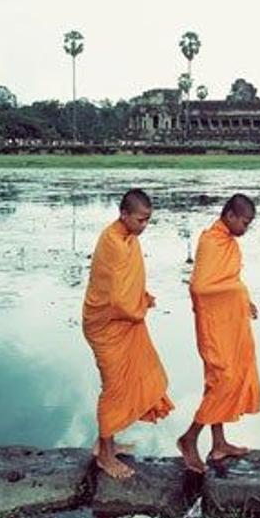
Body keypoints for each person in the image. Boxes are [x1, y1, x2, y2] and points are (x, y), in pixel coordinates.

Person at [82, 188, 174, 479]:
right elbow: (118, 299)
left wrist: (142, 295)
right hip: (105, 324)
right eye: (141, 220)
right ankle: (105, 457)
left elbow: (127, 283)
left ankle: (104, 443)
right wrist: (138, 309)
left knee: (137, 374)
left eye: (148, 220)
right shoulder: (113, 242)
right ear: (124, 215)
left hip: (124, 323)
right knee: (114, 388)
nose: (144, 226)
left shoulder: (127, 238)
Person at [176, 193, 260, 473]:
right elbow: (200, 287)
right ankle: (189, 438)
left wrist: (244, 300)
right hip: (214, 324)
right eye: (244, 223)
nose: (245, 229)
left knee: (221, 380)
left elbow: (229, 278)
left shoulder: (228, 241)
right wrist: (236, 293)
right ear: (230, 216)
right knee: (223, 380)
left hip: (230, 320)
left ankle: (219, 444)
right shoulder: (210, 241)